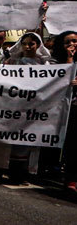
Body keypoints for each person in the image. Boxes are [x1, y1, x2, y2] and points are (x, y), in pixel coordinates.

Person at [0, 32, 51, 183]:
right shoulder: (12, 61)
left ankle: (18, 173)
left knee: (23, 141)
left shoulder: (45, 65)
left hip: (30, 108)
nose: (28, 47)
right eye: (25, 43)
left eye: (32, 44)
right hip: (10, 106)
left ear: (38, 45)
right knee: (3, 140)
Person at [51, 31, 77, 192]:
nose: (73, 45)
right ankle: (70, 179)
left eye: (75, 41)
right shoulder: (56, 61)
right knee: (72, 145)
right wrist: (69, 58)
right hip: (65, 109)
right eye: (69, 42)